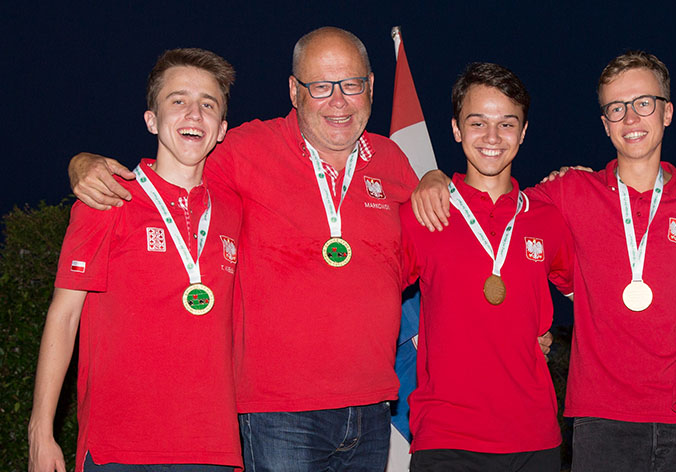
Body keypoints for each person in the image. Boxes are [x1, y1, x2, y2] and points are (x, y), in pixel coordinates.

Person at [69, 27, 417, 472]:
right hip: (278, 413)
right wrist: (80, 163)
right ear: (293, 90)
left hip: (373, 406)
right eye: (320, 86)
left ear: (370, 86)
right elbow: (173, 163)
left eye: (351, 84)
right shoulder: (247, 148)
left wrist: (432, 180)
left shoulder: (392, 161)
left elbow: (435, 243)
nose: (338, 101)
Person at [413, 51, 676, 471]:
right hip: (601, 421)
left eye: (643, 103)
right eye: (616, 108)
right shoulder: (567, 195)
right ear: (604, 123)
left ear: (668, 112)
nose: (630, 118)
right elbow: (494, 209)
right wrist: (432, 177)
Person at [28, 48, 241, 472]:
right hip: (119, 447)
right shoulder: (106, 198)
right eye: (177, 100)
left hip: (211, 448)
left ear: (221, 129)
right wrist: (41, 431)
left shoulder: (234, 209)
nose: (193, 114)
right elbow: (64, 316)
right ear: (151, 120)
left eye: (208, 104)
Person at [400, 62, 573, 471]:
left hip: (534, 438)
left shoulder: (547, 218)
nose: (492, 137)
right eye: (477, 123)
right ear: (456, 129)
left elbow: (593, 292)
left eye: (506, 124)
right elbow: (368, 296)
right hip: (447, 439)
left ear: (523, 131)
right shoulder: (422, 213)